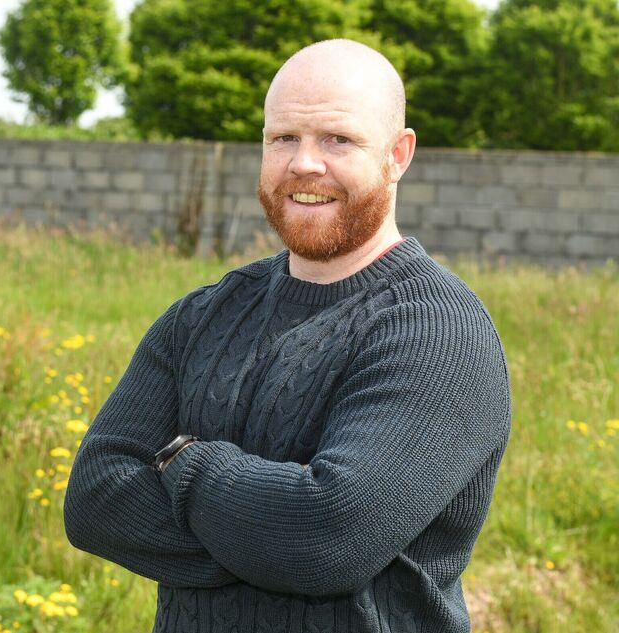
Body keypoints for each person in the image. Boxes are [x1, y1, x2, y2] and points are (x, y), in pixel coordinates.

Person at [64, 38, 511, 633]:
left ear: (398, 155)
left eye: (338, 139)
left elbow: (329, 537)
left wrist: (186, 464)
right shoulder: (203, 313)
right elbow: (94, 499)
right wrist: (270, 538)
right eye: (283, 139)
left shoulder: (438, 333)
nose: (305, 163)